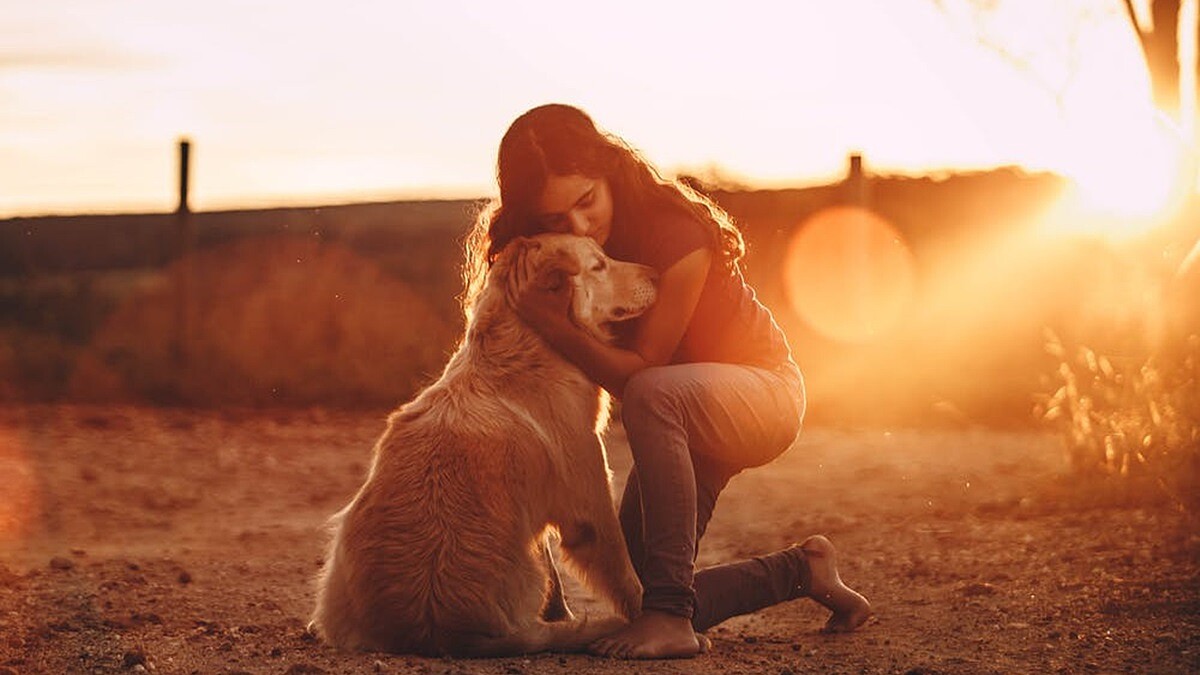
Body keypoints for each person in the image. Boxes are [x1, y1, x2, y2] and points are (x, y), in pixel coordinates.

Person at [462, 103, 871, 659]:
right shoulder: (551, 255)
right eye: (557, 219)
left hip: (762, 393)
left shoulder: (674, 233)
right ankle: (802, 572)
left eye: (586, 201)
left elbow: (642, 374)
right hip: (681, 413)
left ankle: (671, 622)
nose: (580, 227)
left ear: (608, 168)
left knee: (654, 394)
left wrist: (551, 324)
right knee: (635, 591)